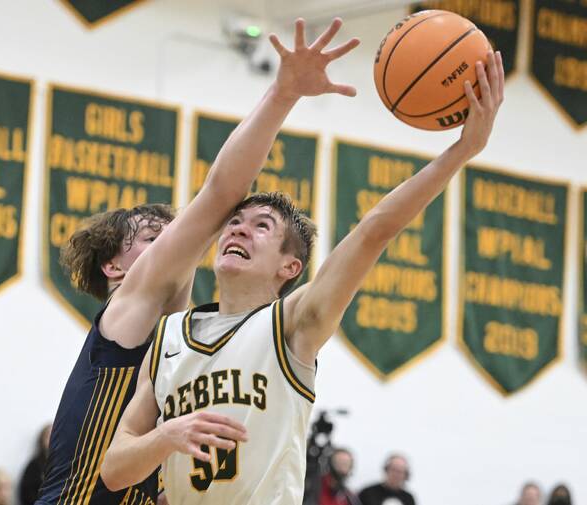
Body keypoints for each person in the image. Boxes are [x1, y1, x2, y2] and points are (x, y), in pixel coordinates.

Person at [101, 22, 504, 503]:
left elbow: (376, 229)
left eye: (262, 226)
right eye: (235, 223)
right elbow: (113, 470)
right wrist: (166, 437)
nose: (238, 229)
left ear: (289, 268)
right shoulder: (168, 336)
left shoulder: (293, 326)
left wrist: (463, 150)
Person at [36, 16, 360, 505]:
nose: (172, 241)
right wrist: (283, 93)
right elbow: (222, 195)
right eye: (150, 237)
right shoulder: (129, 307)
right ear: (115, 268)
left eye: (168, 232)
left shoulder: (182, 343)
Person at [19, 424, 51, 505]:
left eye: (53, 435)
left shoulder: (64, 462)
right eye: (48, 436)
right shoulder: (34, 465)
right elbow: (26, 493)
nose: (51, 439)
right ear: (41, 440)